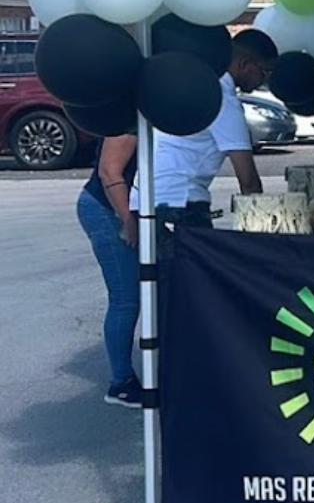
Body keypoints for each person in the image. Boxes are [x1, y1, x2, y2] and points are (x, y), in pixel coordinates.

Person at [132, 28, 278, 253]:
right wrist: (264, 234)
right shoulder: (224, 102)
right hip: (181, 202)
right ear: (244, 64)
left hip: (148, 197)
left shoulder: (201, 85)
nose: (263, 80)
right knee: (193, 282)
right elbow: (248, 180)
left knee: (163, 282)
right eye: (265, 72)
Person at [77, 133, 141, 407]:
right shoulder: (128, 121)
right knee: (126, 299)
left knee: (141, 294)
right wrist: (127, 219)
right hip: (106, 210)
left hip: (118, 209)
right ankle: (121, 383)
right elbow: (109, 171)